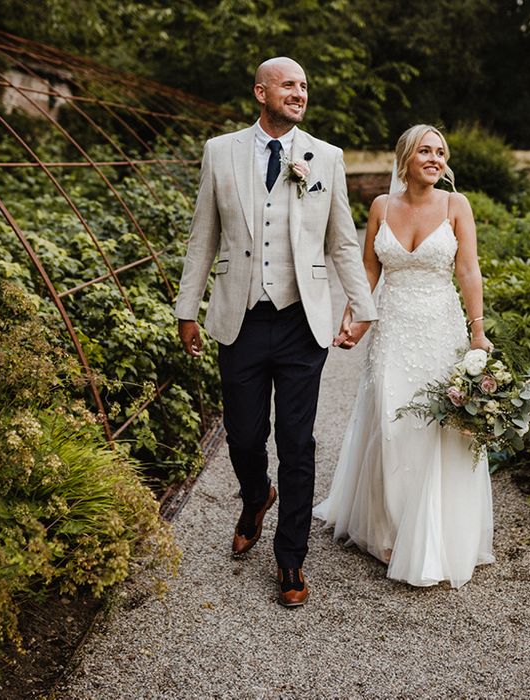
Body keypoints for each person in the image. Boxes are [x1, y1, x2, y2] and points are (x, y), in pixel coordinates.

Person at [174, 57, 377, 606]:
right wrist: (186, 309)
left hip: (299, 322)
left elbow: (340, 241)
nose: (299, 93)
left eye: (305, 86)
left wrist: (362, 308)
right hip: (237, 319)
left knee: (297, 441)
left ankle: (290, 559)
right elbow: (203, 237)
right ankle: (254, 494)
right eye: (289, 85)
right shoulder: (221, 151)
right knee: (243, 436)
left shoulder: (326, 158)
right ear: (260, 91)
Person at [314, 124, 495, 589]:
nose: (434, 159)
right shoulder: (380, 206)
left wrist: (478, 334)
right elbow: (369, 270)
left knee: (437, 425)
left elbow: (468, 270)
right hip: (393, 328)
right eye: (425, 151)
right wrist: (355, 319)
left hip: (440, 328)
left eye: (440, 152)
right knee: (391, 424)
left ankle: (434, 532)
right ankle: (390, 527)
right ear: (405, 159)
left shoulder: (457, 206)